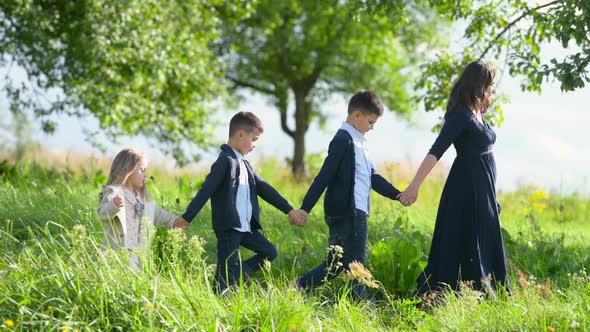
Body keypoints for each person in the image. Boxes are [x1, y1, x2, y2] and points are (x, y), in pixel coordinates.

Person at [398, 61, 509, 298]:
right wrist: (414, 186)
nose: (494, 90)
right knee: (465, 240)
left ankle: (483, 294)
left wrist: (493, 196)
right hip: (465, 190)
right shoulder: (461, 116)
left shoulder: (478, 114)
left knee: (484, 241)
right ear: (480, 86)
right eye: (491, 85)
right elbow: (435, 151)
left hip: (484, 191)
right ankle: (452, 295)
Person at [175, 112, 307, 294]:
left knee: (269, 253)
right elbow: (206, 190)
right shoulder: (225, 162)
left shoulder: (245, 165)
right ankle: (220, 298)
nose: (255, 145)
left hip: (246, 229)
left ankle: (239, 274)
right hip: (229, 227)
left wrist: (290, 210)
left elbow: (265, 189)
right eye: (254, 139)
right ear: (241, 134)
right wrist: (186, 217)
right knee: (226, 270)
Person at [296, 90, 403, 301]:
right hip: (347, 212)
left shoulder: (360, 142)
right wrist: (304, 208)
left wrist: (397, 194)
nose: (372, 127)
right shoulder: (344, 139)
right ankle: (363, 306)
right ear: (356, 116)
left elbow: (372, 177)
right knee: (356, 264)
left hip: (355, 211)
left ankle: (298, 287)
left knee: (336, 264)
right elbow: (324, 176)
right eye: (370, 122)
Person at [97, 148, 185, 271]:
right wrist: (113, 205)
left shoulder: (142, 197)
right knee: (117, 279)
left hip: (136, 254)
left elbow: (157, 213)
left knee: (134, 280)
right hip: (116, 252)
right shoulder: (115, 192)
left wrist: (175, 221)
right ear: (128, 170)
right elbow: (102, 214)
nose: (145, 175)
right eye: (142, 170)